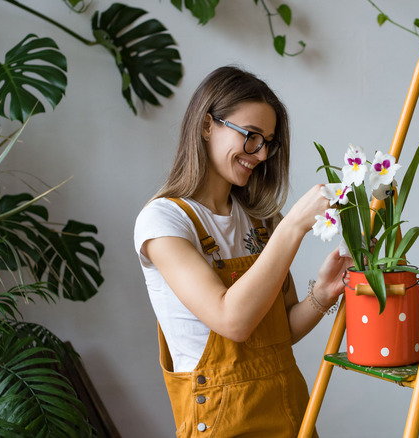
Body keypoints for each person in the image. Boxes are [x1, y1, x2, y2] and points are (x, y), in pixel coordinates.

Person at [133, 65, 351, 437]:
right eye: (251, 136)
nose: (261, 154)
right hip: (223, 422)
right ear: (206, 125)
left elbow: (281, 330)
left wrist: (323, 294)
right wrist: (294, 226)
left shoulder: (261, 220)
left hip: (291, 413)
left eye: (268, 141)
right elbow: (232, 321)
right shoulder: (163, 221)